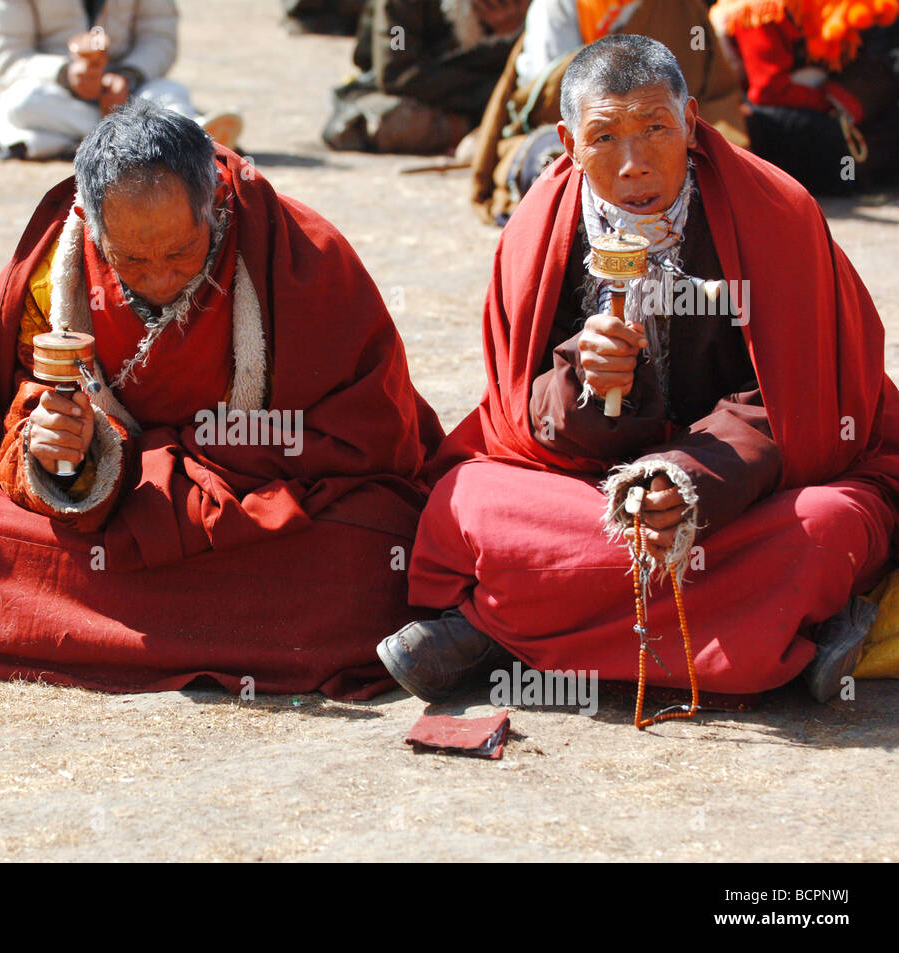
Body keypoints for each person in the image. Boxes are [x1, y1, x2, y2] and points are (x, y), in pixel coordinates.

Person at [379, 36, 899, 706]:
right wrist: (586, 382)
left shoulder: (775, 210)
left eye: (655, 128)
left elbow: (800, 402)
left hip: (744, 492)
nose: (633, 164)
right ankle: (774, 640)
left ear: (689, 121)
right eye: (604, 137)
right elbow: (517, 413)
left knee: (829, 523)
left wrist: (686, 478)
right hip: (588, 488)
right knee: (468, 503)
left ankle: (497, 627)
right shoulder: (537, 228)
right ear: (567, 141)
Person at [0, 99, 444, 700]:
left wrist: (194, 473)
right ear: (92, 225)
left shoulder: (300, 254)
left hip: (253, 507)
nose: (159, 278)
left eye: (180, 252)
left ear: (215, 205)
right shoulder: (57, 272)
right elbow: (26, 410)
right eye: (131, 260)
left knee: (377, 558)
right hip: (118, 511)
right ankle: (224, 636)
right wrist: (63, 453)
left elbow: (371, 434)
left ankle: (97, 635)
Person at [469, 0, 749, 224]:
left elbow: (714, 92)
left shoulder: (683, 9)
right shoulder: (557, 7)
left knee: (718, 166)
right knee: (558, 169)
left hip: (667, 127)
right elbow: (545, 100)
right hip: (575, 127)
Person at [0, 0, 242, 160]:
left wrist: (129, 76)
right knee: (20, 103)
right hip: (55, 93)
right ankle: (169, 135)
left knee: (169, 90)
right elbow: (8, 58)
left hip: (130, 90)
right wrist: (67, 76)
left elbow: (159, 39)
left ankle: (155, 132)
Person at [709, 0, 899, 193]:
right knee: (833, 137)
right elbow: (768, 91)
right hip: (758, 110)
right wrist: (829, 102)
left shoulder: (812, 7)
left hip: (807, 95)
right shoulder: (758, 10)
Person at [323, 0, 530, 155]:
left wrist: (511, 32)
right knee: (392, 123)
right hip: (418, 90)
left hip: (485, 91)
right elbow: (398, 72)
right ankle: (473, 126)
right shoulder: (400, 6)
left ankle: (486, 124)